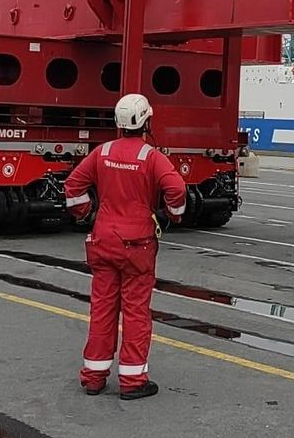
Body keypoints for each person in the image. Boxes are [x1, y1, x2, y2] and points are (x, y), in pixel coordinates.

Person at [65, 92, 187, 400]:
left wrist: (86, 213)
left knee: (102, 309)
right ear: (147, 121)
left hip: (103, 240)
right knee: (135, 312)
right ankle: (133, 381)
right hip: (137, 246)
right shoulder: (151, 157)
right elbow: (176, 189)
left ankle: (93, 377)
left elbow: (73, 187)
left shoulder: (102, 152)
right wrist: (171, 214)